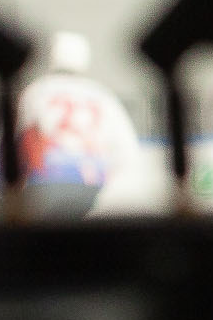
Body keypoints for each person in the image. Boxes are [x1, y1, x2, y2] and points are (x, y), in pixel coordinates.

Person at [15, 30, 145, 215]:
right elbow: (127, 152)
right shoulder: (102, 95)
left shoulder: (35, 91)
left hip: (43, 183)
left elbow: (15, 143)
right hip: (90, 185)